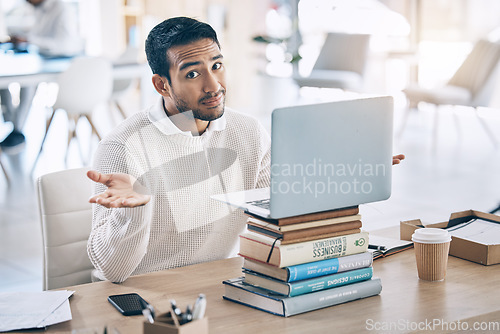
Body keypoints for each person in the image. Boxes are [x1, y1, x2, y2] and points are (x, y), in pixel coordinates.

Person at [86, 16, 405, 283]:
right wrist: (134, 212)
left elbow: (280, 207)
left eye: (217, 65)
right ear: (162, 85)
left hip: (213, 284)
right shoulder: (122, 147)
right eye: (193, 74)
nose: (213, 86)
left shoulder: (246, 130)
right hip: (142, 294)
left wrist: (340, 175)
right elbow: (111, 271)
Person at [0, 0, 83, 153]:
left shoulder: (61, 8)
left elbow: (64, 44)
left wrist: (31, 40)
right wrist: (27, 39)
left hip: (63, 62)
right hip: (44, 57)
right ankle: (14, 127)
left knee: (28, 81)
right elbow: (38, 35)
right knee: (9, 79)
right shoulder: (38, 9)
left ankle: (16, 130)